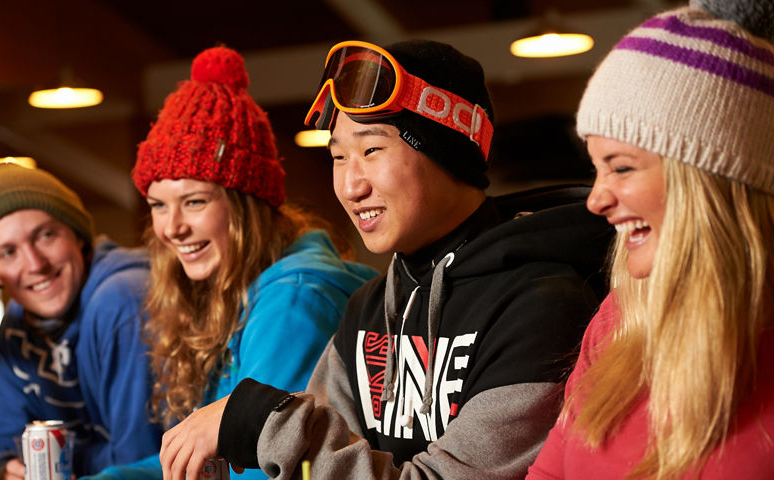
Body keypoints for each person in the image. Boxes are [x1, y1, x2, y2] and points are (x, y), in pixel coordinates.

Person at [155, 39, 614, 480]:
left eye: (372, 150)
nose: (351, 186)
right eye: (338, 156)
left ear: (447, 147)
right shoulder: (365, 310)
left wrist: (263, 423)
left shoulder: (542, 307)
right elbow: (311, 473)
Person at [526, 0, 774, 478]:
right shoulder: (619, 320)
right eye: (596, 168)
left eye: (622, 167)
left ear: (710, 182)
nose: (596, 200)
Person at [89, 46, 378, 480]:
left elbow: (263, 469)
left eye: (194, 201)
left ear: (245, 206)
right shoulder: (229, 287)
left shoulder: (293, 301)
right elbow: (196, 461)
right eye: (157, 205)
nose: (172, 228)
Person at [0, 163, 162, 480]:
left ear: (78, 237)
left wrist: (51, 459)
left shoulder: (122, 300)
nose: (34, 264)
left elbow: (140, 461)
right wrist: (4, 471)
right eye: (7, 252)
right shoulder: (19, 322)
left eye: (45, 235)